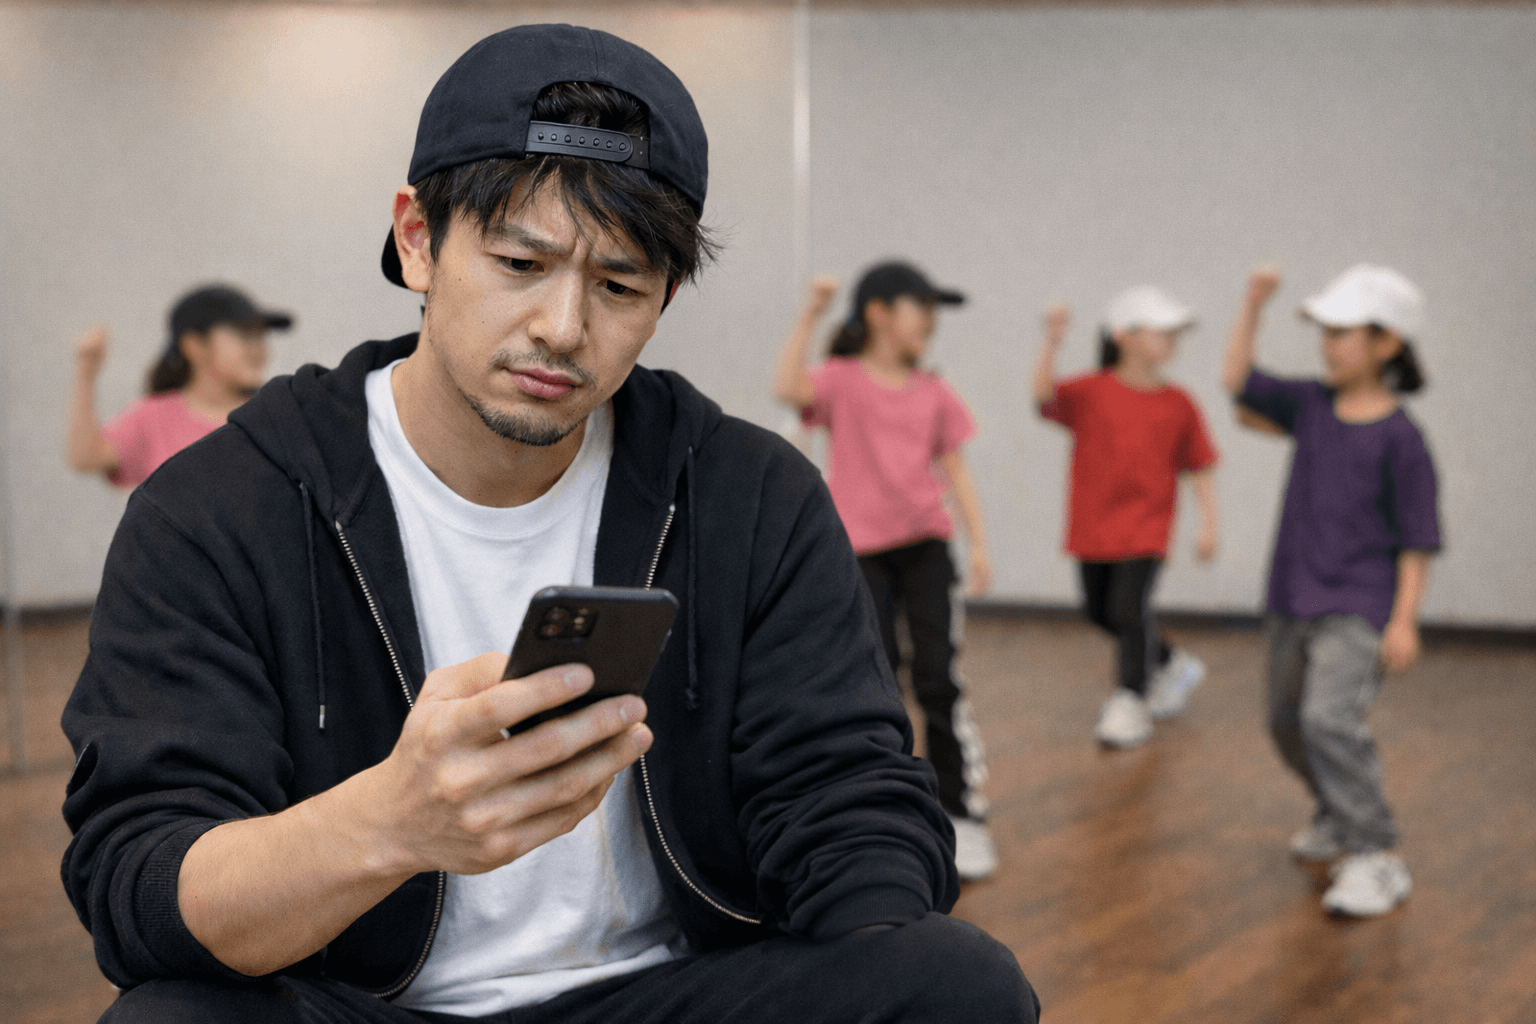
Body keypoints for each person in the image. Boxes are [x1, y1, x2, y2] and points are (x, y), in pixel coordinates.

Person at [60, 24, 1036, 1023]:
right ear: (417, 239)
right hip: (359, 1007)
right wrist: (390, 825)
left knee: (957, 981)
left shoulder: (750, 495)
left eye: (619, 286)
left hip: (664, 996)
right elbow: (143, 889)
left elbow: (851, 798)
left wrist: (873, 945)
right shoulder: (218, 509)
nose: (564, 329)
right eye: (520, 263)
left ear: (665, 295)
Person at [1222, 265, 1439, 918]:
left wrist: (1404, 620)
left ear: (1387, 343)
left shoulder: (1403, 439)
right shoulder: (1311, 405)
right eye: (1325, 332)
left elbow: (1417, 541)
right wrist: (1253, 305)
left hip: (1360, 605)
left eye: (1342, 332)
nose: (1328, 345)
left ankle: (1376, 851)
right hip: (1292, 596)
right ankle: (1337, 812)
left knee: (1328, 719)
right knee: (1285, 722)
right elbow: (1237, 382)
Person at [773, 265, 997, 881]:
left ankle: (962, 810)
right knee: (875, 682)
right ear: (877, 313)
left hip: (927, 549)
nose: (930, 320)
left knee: (938, 678)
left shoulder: (933, 390)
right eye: (919, 305)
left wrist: (978, 545)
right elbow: (788, 387)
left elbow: (956, 471)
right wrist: (812, 312)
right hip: (862, 554)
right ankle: (887, 809)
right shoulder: (841, 380)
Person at [1032, 287, 1219, 748]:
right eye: (1163, 331)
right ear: (1124, 336)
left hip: (1146, 527)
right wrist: (1052, 340)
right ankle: (1171, 663)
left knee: (1128, 610)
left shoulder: (1179, 403)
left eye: (1176, 333)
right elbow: (1042, 397)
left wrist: (1208, 524)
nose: (1172, 341)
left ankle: (1130, 700)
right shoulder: (1089, 392)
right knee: (1099, 612)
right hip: (1093, 526)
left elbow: (1199, 465)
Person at [66, 285, 292, 488]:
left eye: (260, 337)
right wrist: (86, 371)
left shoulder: (274, 418)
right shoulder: (154, 417)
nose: (258, 349)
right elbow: (85, 456)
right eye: (244, 334)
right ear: (195, 345)